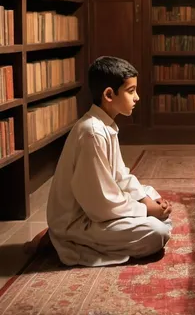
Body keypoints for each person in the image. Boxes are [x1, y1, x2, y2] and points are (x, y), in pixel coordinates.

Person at [47, 56, 172, 267]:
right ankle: (65, 242)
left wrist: (146, 201)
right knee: (157, 232)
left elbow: (120, 175)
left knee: (150, 194)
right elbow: (101, 204)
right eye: (131, 91)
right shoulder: (92, 132)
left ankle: (144, 215)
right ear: (109, 94)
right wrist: (146, 210)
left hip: (97, 211)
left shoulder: (104, 125)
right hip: (79, 222)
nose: (137, 97)